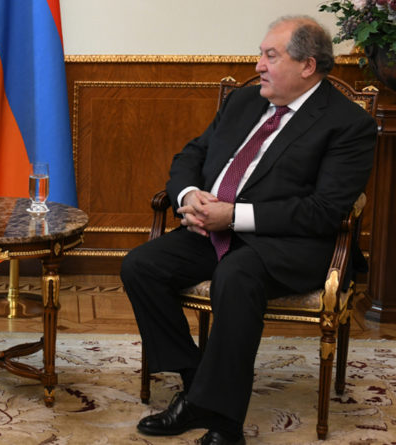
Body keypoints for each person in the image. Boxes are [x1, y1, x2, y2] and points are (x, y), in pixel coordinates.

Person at [120, 16, 376, 445]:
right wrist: (189, 196)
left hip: (291, 245)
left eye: (270, 56)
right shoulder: (244, 101)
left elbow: (323, 211)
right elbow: (191, 154)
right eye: (261, 54)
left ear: (307, 66)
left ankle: (225, 424)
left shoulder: (348, 123)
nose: (258, 65)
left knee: (236, 276)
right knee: (140, 266)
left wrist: (233, 216)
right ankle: (198, 386)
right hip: (215, 231)